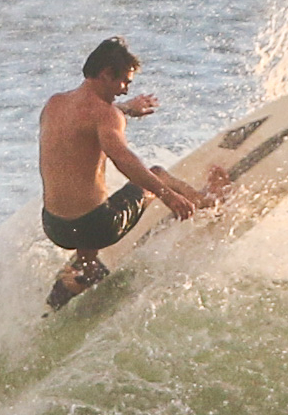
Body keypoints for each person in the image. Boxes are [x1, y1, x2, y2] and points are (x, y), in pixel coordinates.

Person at [39, 36, 230, 309]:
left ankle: (78, 277)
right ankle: (209, 200)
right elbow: (123, 159)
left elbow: (85, 120)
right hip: (97, 226)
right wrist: (167, 196)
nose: (125, 90)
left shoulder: (55, 104)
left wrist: (127, 110)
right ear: (106, 74)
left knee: (85, 204)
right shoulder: (106, 116)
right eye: (124, 81)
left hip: (55, 227)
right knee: (157, 173)